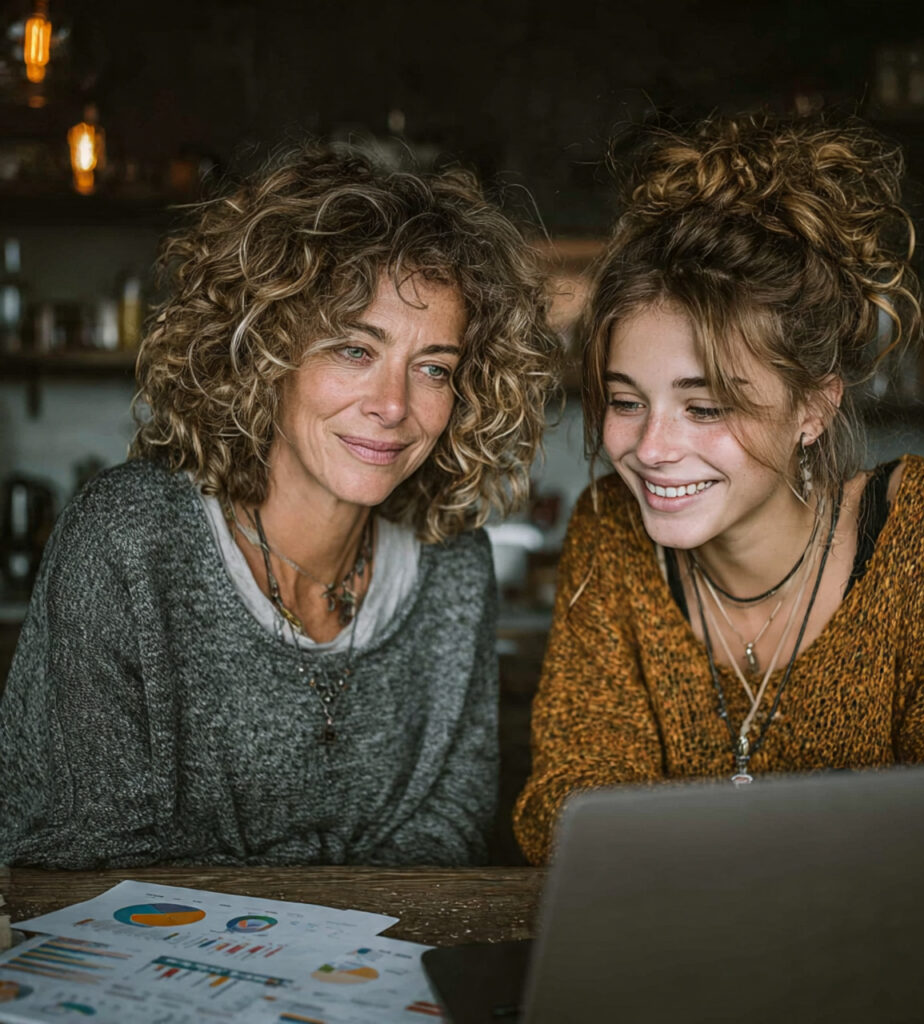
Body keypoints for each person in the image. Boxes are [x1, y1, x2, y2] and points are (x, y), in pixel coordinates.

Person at [0, 146, 560, 869]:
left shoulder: (453, 562)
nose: (393, 406)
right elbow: (83, 853)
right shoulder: (130, 538)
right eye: (353, 350)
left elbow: (446, 828)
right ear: (263, 352)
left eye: (433, 369)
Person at [513, 114, 924, 865]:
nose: (651, 450)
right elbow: (566, 805)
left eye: (707, 406)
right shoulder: (611, 529)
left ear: (813, 406)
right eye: (626, 401)